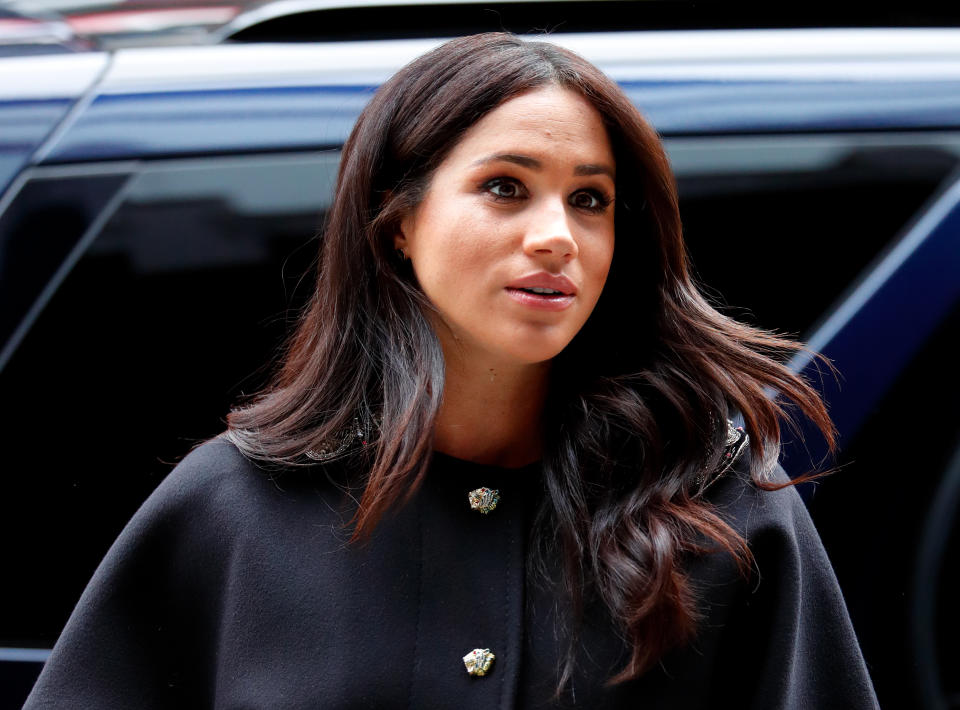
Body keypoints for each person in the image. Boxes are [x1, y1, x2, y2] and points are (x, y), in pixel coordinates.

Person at [24, 33, 880, 709]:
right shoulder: (233, 511)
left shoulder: (721, 506)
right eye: (506, 187)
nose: (557, 235)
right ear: (397, 222)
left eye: (591, 199)